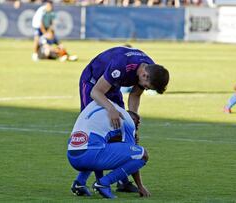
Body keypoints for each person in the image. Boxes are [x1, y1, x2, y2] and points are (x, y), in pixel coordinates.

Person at [76, 45, 169, 193]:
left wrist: (132, 122)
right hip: (92, 83)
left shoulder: (150, 68)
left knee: (122, 132)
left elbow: (135, 95)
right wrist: (111, 109)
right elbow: (96, 92)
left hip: (113, 86)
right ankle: (83, 183)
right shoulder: (122, 65)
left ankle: (122, 181)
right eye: (147, 86)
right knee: (98, 133)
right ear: (144, 75)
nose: (146, 89)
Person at [67, 101, 150, 199]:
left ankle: (79, 183)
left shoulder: (96, 108)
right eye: (137, 121)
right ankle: (104, 183)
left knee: (99, 149)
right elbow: (132, 157)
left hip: (72, 156)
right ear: (132, 118)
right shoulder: (128, 120)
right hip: (91, 155)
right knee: (143, 154)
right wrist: (140, 186)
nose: (138, 124)